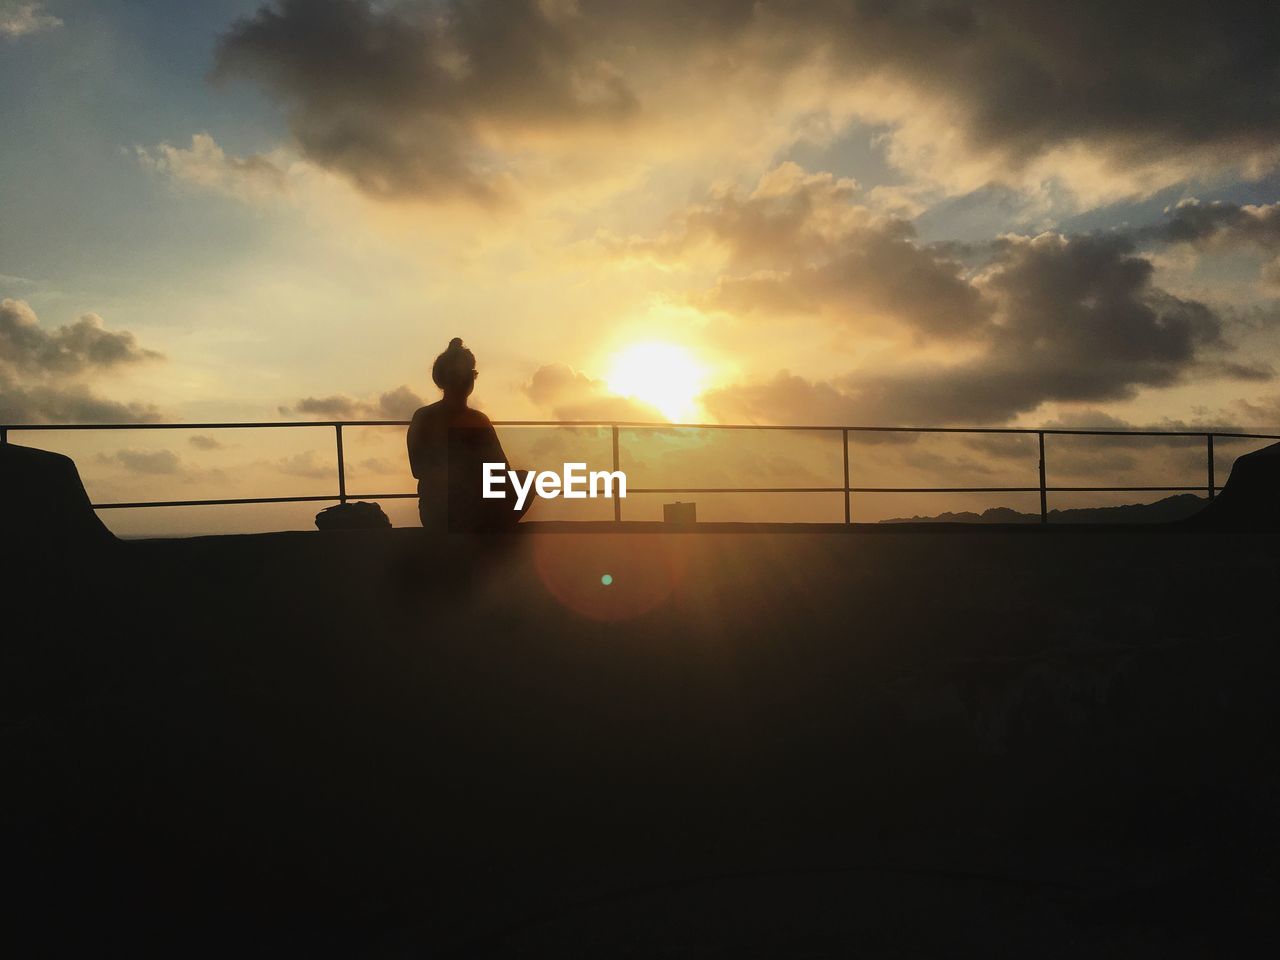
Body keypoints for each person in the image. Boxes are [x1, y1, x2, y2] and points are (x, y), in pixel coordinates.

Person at [407, 338, 532, 531]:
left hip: (441, 511)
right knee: (524, 482)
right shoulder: (474, 420)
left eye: (468, 375)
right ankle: (494, 535)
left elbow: (501, 471)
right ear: (444, 379)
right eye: (459, 375)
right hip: (449, 510)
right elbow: (501, 471)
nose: (464, 380)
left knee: (525, 480)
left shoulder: (425, 416)